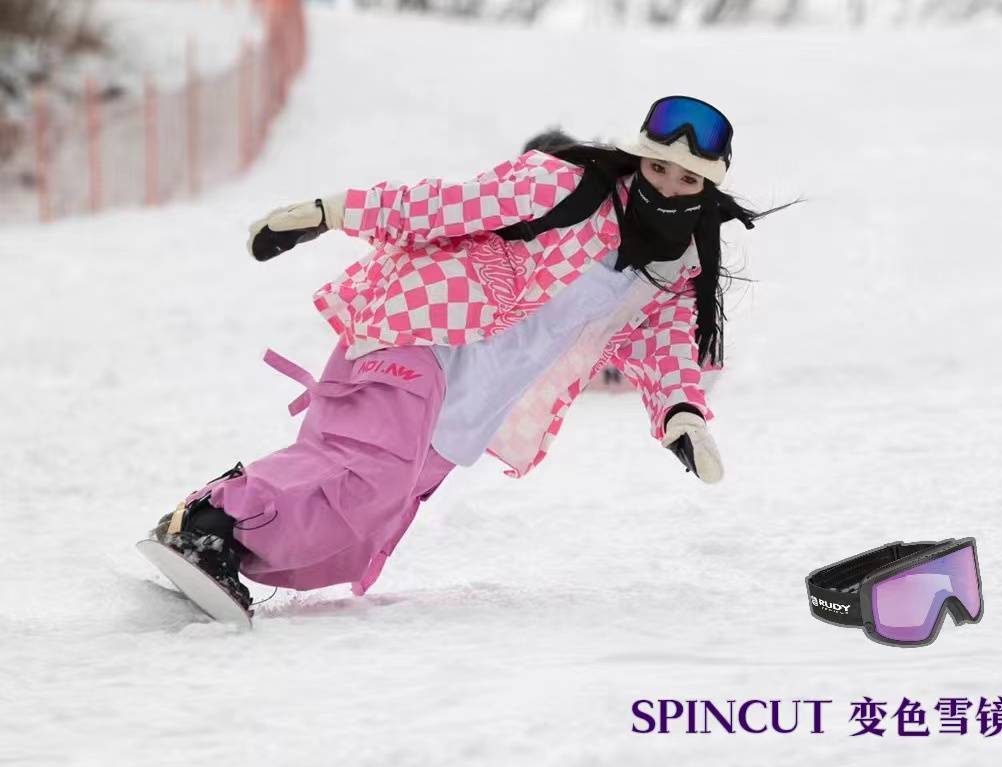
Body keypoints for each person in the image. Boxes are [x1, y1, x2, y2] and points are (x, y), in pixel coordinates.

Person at [148, 95, 779, 613]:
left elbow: (667, 349)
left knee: (367, 524)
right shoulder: (561, 186)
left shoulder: (675, 264)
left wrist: (683, 417)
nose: (669, 185)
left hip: (474, 402)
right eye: (658, 168)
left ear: (708, 184)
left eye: (687, 178)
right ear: (638, 158)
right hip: (423, 328)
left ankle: (228, 553)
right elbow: (443, 205)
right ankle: (209, 525)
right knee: (369, 472)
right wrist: (328, 213)